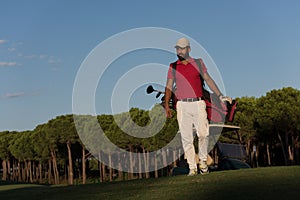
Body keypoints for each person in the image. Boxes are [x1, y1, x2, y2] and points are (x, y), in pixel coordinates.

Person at [164, 37, 226, 176]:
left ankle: (203, 162)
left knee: (203, 134)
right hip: (182, 105)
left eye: (182, 48)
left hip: (198, 103)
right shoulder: (173, 66)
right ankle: (192, 167)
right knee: (186, 138)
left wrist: (220, 95)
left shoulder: (198, 62)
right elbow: (168, 86)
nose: (179, 51)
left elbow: (208, 79)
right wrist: (167, 106)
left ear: (189, 49)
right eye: (177, 49)